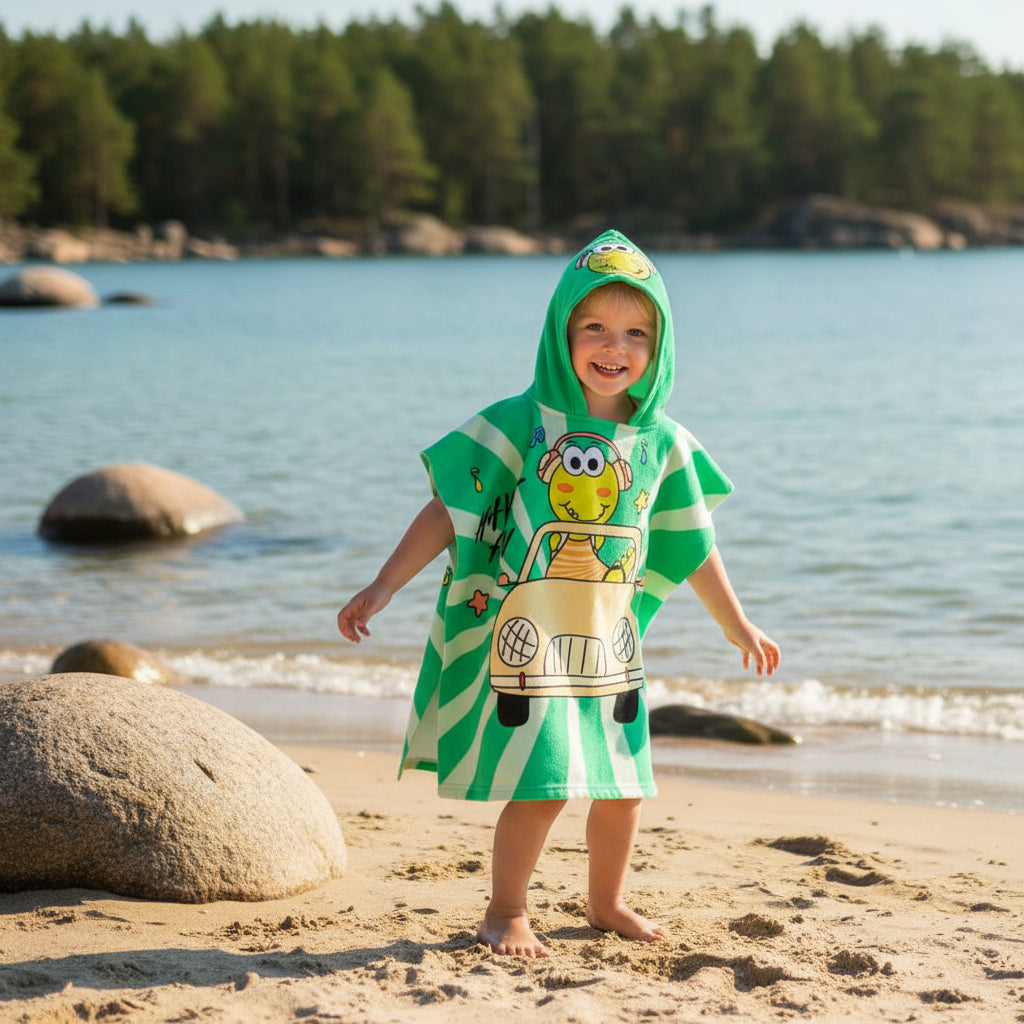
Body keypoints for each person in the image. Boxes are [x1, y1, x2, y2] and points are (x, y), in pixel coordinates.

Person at [338, 229, 780, 958]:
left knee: (622, 787)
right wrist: (385, 582)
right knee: (543, 784)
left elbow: (690, 542)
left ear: (660, 344)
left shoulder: (662, 442)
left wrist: (735, 623)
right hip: (531, 633)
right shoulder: (523, 421)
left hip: (612, 644)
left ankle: (606, 902)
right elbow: (451, 507)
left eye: (637, 332)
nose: (616, 347)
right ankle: (505, 910)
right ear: (561, 333)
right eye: (595, 328)